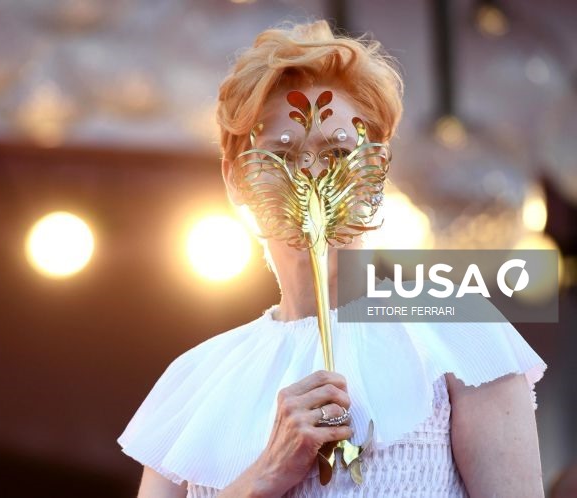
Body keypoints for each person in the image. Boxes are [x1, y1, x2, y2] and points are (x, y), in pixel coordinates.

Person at [118, 20, 546, 497]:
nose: (314, 177)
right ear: (236, 178)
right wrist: (264, 475)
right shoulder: (196, 380)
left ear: (378, 166)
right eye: (283, 153)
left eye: (339, 151)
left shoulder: (456, 333)